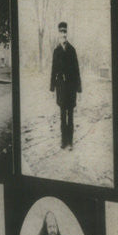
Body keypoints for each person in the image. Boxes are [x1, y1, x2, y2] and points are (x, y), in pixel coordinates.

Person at [49, 21, 82, 150]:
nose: (63, 34)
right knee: (63, 116)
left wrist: (79, 90)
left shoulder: (72, 50)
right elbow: (53, 70)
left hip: (71, 88)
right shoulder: (56, 51)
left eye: (65, 32)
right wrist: (52, 89)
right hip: (61, 88)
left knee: (71, 116)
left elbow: (77, 70)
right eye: (61, 32)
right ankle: (64, 141)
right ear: (58, 33)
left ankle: (71, 142)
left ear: (67, 33)